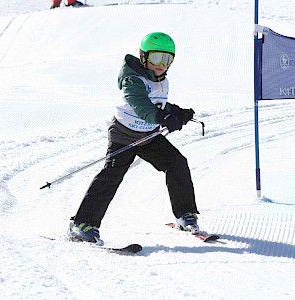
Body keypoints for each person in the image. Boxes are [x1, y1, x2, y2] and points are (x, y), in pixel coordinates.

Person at [68, 32, 200, 244]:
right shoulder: (132, 80)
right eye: (156, 58)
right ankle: (82, 225)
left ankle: (185, 215)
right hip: (124, 136)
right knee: (111, 176)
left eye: (167, 59)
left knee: (177, 163)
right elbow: (140, 105)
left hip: (148, 136)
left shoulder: (161, 80)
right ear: (144, 57)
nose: (161, 64)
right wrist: (162, 116)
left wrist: (176, 112)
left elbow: (157, 103)